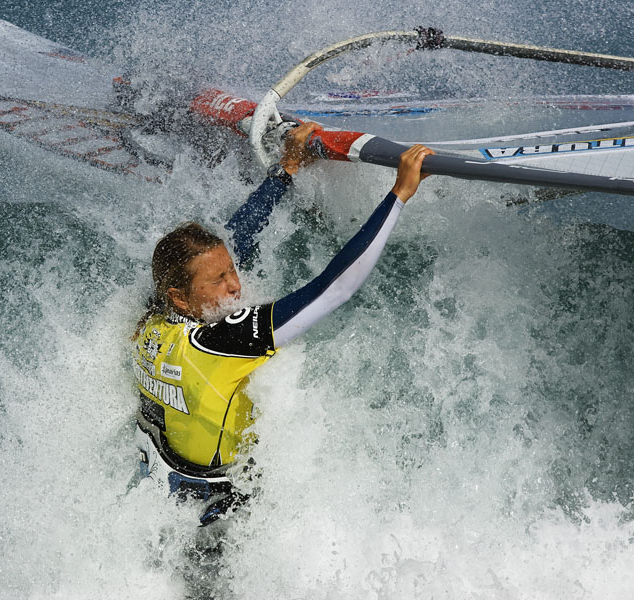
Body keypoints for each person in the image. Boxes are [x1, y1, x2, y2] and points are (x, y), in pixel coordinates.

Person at [133, 122, 433, 525]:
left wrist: (286, 170)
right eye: (218, 280)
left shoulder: (150, 323)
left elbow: (236, 236)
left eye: (230, 271)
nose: (235, 285)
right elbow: (333, 289)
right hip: (218, 528)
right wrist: (399, 194)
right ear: (180, 297)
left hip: (163, 502)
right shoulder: (217, 343)